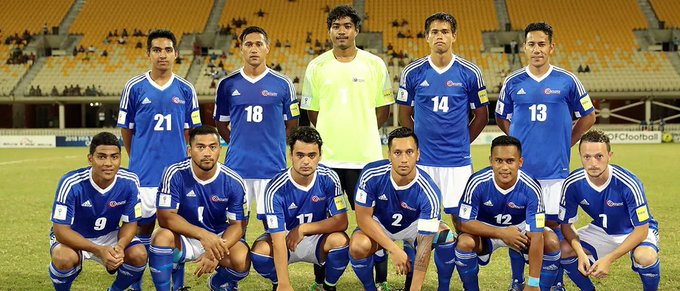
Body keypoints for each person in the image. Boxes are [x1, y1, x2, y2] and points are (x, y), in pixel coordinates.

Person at [495, 22, 596, 290]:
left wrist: (567, 142)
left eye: (542, 44)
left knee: (553, 227)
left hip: (555, 172)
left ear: (551, 47)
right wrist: (516, 148)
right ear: (524, 47)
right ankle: (518, 280)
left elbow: (589, 116)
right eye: (531, 44)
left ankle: (555, 282)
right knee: (520, 228)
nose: (536, 49)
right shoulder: (512, 82)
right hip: (522, 174)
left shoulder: (567, 80)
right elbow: (501, 118)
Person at [301, 5, 394, 288]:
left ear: (356, 30)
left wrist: (361, 131)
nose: (341, 31)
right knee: (324, 219)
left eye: (347, 26)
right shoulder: (316, 66)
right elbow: (312, 113)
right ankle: (322, 279)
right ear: (329, 31)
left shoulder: (374, 64)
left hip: (365, 158)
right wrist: (332, 133)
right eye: (336, 26)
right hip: (327, 159)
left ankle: (382, 280)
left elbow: (383, 110)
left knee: (375, 220)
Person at [397, 12, 488, 290]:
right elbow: (404, 116)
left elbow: (482, 116)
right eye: (435, 31)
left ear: (454, 36)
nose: (440, 36)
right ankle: (418, 282)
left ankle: (456, 283)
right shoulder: (413, 72)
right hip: (423, 165)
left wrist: (461, 143)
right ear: (427, 37)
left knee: (463, 225)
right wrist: (417, 151)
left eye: (445, 31)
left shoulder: (470, 72)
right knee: (421, 226)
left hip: (458, 165)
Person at [117, 29, 202, 290]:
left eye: (167, 50)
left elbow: (191, 133)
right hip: (142, 175)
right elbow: (126, 130)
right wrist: (138, 158)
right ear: (148, 54)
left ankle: (176, 286)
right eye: (157, 50)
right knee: (140, 230)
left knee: (174, 231)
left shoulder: (186, 89)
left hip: (176, 179)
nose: (162, 55)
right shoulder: (134, 87)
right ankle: (135, 284)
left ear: (176, 54)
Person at [349, 127, 455, 291]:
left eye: (409, 152)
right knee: (357, 246)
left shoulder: (429, 191)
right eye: (397, 153)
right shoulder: (371, 174)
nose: (404, 159)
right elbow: (363, 218)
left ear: (418, 154)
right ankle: (370, 288)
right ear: (389, 155)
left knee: (446, 237)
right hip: (380, 225)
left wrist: (415, 289)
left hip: (414, 228)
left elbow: (425, 246)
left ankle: (444, 288)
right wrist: (393, 249)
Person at [214, 26, 299, 225]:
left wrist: (275, 146)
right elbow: (220, 122)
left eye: (258, 44)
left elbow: (292, 125)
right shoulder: (227, 84)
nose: (254, 49)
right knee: (235, 228)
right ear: (241, 48)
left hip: (272, 168)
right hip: (237, 168)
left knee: (274, 229)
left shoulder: (283, 84)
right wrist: (236, 143)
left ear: (267, 48)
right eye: (248, 44)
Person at [148, 126, 250, 291]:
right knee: (160, 237)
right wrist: (203, 235)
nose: (207, 152)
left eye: (213, 146)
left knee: (242, 258)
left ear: (220, 150)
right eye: (200, 147)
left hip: (219, 238)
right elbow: (165, 217)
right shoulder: (174, 173)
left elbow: (238, 225)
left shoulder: (234, 181)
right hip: (184, 237)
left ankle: (218, 283)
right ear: (189, 151)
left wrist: (215, 252)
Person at [455, 135, 561, 291]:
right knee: (464, 243)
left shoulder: (531, 187)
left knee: (551, 241)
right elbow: (463, 222)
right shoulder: (477, 182)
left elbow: (537, 234)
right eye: (499, 161)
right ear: (491, 161)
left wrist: (533, 283)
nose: (504, 167)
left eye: (510, 161)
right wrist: (502, 233)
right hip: (486, 231)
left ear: (520, 162)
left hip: (521, 232)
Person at [251, 127, 350, 291]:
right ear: (291, 155)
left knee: (341, 242)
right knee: (260, 253)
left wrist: (304, 228)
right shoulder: (275, 188)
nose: (306, 161)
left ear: (320, 156)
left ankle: (328, 286)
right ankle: (278, 284)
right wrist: (284, 283)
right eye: (300, 155)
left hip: (318, 239)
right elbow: (276, 239)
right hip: (285, 240)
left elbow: (342, 221)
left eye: (312, 155)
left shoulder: (329, 178)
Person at [559, 130, 660, 291]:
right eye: (587, 157)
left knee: (645, 257)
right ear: (580, 156)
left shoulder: (628, 183)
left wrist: (609, 259)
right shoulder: (572, 184)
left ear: (609, 156)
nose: (593, 163)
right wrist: (580, 254)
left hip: (634, 230)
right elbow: (566, 225)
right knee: (563, 250)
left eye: (599, 156)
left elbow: (641, 230)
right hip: (603, 230)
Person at [48, 132, 146, 290]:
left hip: (109, 234)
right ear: (90, 159)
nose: (109, 163)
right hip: (75, 236)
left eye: (114, 157)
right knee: (63, 258)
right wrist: (99, 250)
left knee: (139, 254)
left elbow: (130, 222)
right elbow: (61, 231)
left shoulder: (130, 181)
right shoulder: (71, 183)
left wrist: (120, 247)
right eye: (101, 157)